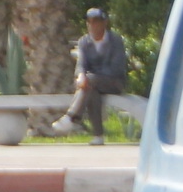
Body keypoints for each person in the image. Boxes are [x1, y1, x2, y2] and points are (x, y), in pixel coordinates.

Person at [54, 8, 129, 145]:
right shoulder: (84, 41)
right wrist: (81, 75)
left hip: (114, 82)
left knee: (90, 82)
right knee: (91, 91)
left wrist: (90, 77)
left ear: (104, 23)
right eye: (89, 22)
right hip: (92, 83)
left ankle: (71, 117)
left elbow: (116, 68)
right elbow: (81, 64)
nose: (92, 25)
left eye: (95, 21)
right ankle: (98, 135)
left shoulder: (115, 40)